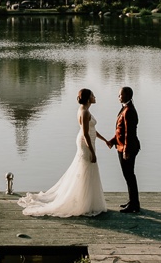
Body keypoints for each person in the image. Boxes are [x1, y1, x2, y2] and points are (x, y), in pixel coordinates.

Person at [17, 88, 108, 217]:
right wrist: (92, 152)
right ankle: (84, 202)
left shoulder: (86, 111)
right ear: (88, 99)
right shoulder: (84, 112)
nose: (95, 97)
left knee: (86, 170)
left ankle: (87, 201)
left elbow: (92, 130)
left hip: (88, 141)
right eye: (93, 95)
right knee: (86, 168)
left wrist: (105, 140)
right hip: (85, 143)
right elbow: (86, 134)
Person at [105, 86, 141, 212]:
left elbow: (129, 133)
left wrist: (126, 150)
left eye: (120, 95)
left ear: (127, 96)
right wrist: (112, 141)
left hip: (128, 148)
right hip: (122, 146)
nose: (118, 97)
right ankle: (132, 201)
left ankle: (134, 205)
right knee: (128, 175)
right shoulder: (125, 108)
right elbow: (120, 131)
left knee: (129, 175)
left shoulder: (129, 110)